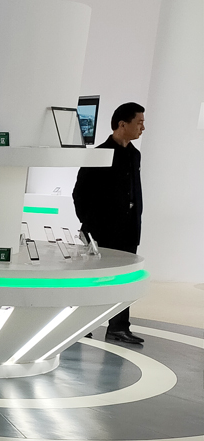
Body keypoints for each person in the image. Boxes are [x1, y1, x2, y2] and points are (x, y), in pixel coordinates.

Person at [73, 102, 146, 344]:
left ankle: (118, 328)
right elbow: (79, 193)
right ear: (122, 124)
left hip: (128, 229)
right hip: (101, 231)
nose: (142, 127)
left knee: (124, 280)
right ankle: (80, 325)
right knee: (92, 279)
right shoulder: (99, 154)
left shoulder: (134, 155)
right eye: (139, 122)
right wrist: (89, 223)